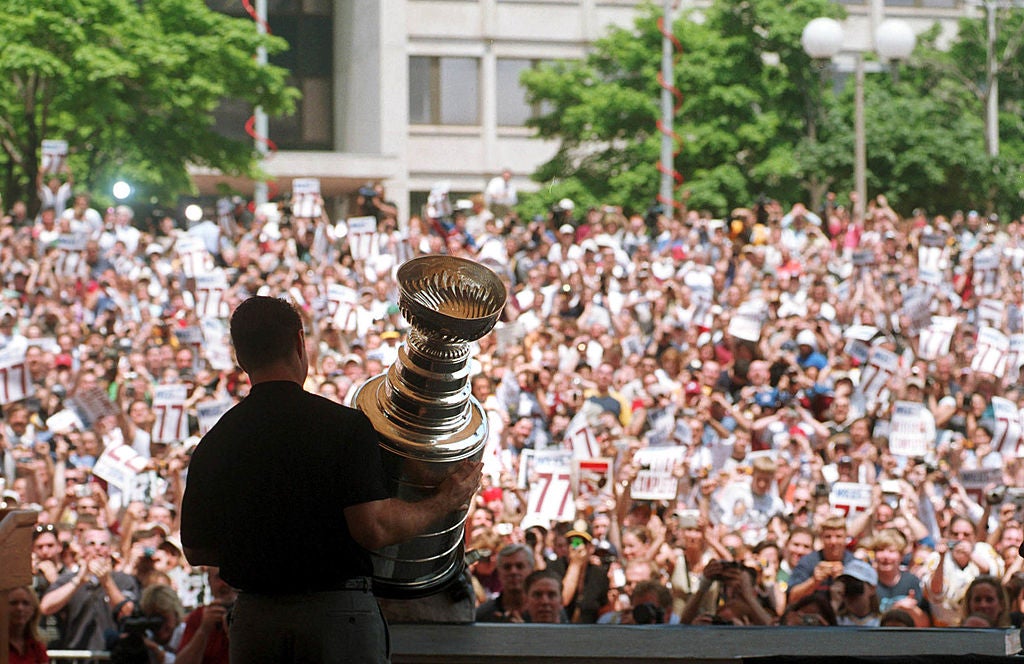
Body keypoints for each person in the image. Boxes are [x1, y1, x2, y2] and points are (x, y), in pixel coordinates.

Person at [180, 296, 482, 664]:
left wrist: (264, 545)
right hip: (336, 617)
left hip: (255, 620)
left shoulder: (216, 441)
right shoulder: (344, 427)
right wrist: (447, 499)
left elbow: (196, 549)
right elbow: (373, 528)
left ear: (240, 357)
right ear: (299, 343)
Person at [39, 527, 140, 652]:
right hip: (75, 656)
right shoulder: (68, 579)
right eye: (91, 544)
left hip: (113, 655)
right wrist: (78, 581)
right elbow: (46, 607)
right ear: (82, 549)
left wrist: (107, 582)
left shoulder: (123, 580)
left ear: (110, 549)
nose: (97, 548)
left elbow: (128, 612)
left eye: (103, 544)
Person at [176, 567, 234, 664]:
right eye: (218, 578)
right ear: (209, 582)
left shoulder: (250, 615)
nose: (224, 584)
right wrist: (204, 630)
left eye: (229, 577)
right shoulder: (199, 616)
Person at [475, 544, 533, 623]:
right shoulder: (482, 615)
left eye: (520, 566)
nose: (513, 572)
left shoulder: (542, 613)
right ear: (498, 572)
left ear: (531, 570)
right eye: (507, 567)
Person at [8, 585, 49, 664]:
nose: (20, 608)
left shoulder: (37, 647)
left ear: (33, 610)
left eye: (25, 603)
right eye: (13, 603)